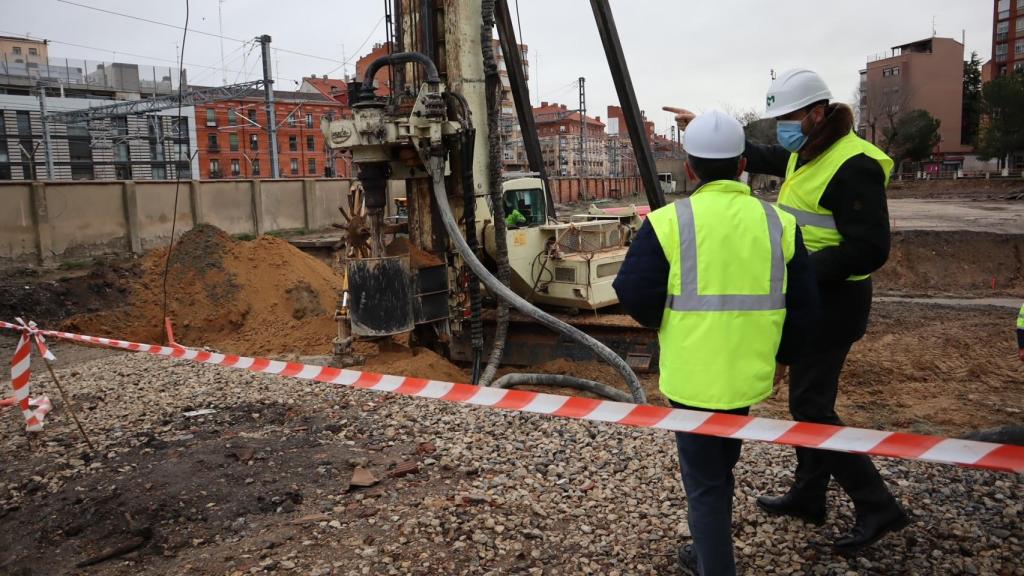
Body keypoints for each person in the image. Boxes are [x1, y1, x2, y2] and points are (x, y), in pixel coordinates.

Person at [666, 68, 909, 552]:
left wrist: (797, 271)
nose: (782, 127)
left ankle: (876, 503)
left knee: (811, 406)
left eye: (788, 117)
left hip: (836, 301)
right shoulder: (811, 150)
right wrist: (708, 136)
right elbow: (769, 155)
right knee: (807, 402)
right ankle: (809, 495)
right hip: (815, 296)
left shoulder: (853, 164)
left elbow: (869, 249)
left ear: (817, 113)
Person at [613, 110, 818, 575]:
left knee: (704, 482)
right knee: (719, 468)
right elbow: (805, 305)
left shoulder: (668, 222)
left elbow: (633, 292)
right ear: (743, 165)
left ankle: (713, 562)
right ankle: (705, 550)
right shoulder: (779, 223)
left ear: (690, 168)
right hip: (747, 375)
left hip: (693, 377)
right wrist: (784, 357)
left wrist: (668, 322)